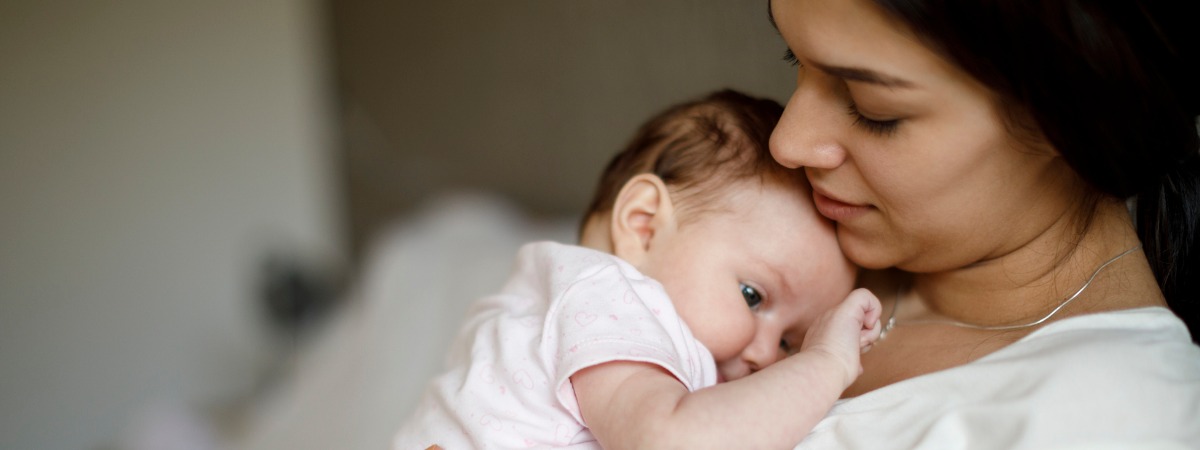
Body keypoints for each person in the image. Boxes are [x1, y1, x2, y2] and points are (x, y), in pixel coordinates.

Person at [766, 0, 1200, 447]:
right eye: (796, 58)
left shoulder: (1130, 417)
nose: (787, 143)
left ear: (1067, 117)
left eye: (874, 110)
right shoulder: (767, 217)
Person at [392, 89, 882, 449]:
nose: (766, 358)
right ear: (644, 226)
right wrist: (825, 363)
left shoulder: (565, 302)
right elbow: (671, 440)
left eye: (788, 343)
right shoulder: (610, 299)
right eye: (752, 296)